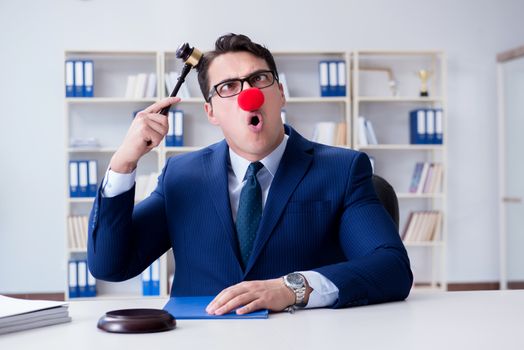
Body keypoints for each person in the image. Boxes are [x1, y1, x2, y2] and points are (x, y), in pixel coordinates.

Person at [88, 33, 413, 315]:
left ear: (280, 93)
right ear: (210, 111)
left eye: (259, 79)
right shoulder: (181, 176)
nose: (249, 96)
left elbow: (391, 268)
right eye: (229, 86)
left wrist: (293, 289)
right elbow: (111, 266)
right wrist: (123, 164)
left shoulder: (342, 170)